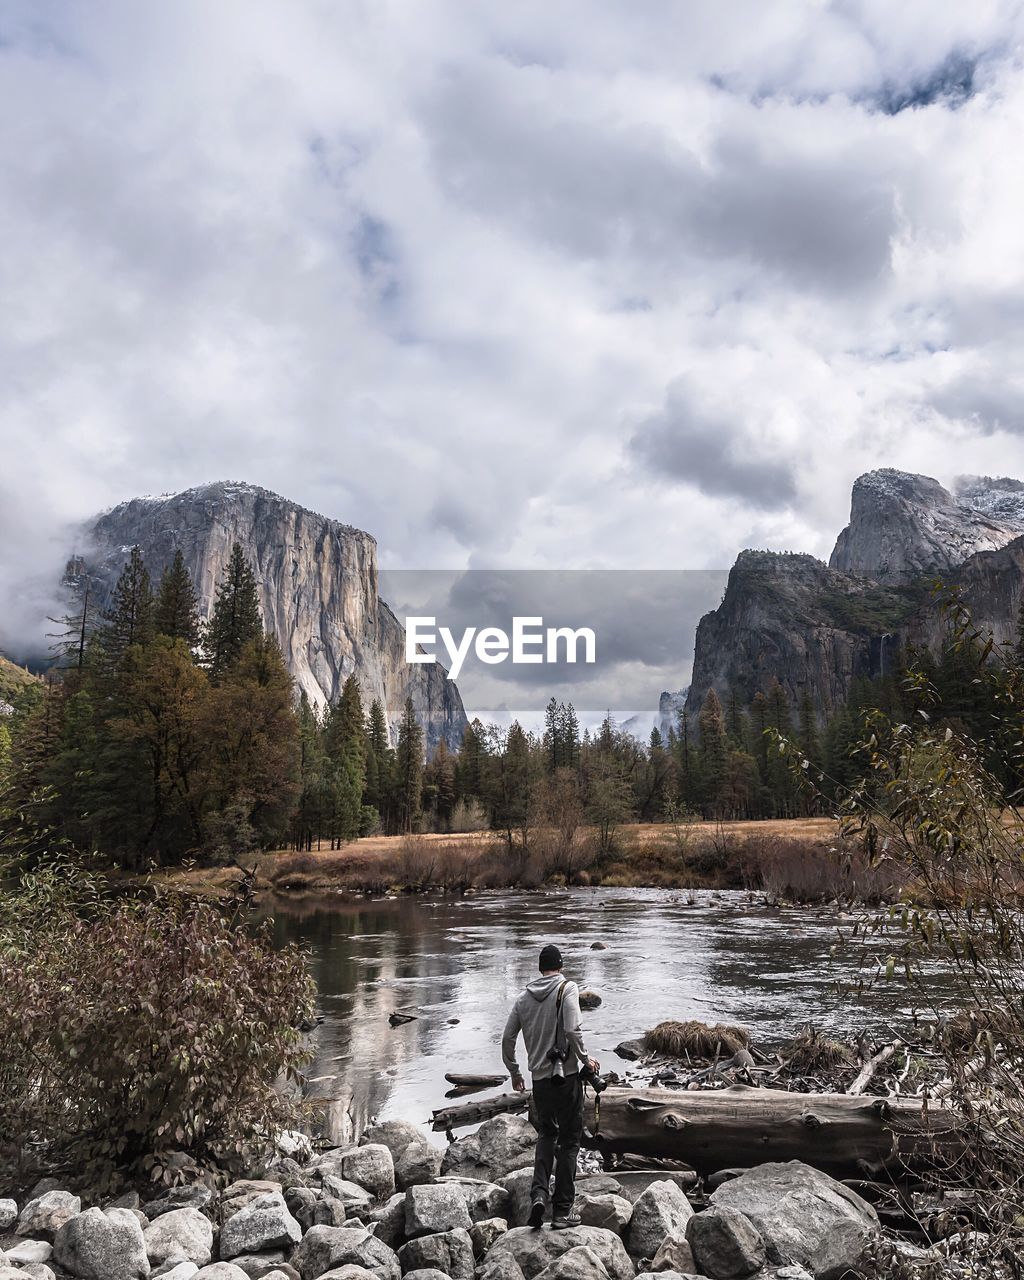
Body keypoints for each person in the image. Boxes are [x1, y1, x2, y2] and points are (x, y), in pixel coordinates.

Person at [501, 943, 600, 1229]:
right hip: (567, 1078)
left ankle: (538, 1197)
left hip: (539, 1081)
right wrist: (585, 1059)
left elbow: (507, 1039)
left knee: (546, 1135)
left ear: (540, 968)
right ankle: (562, 1211)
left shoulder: (523, 998)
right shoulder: (567, 988)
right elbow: (572, 1029)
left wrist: (514, 1072)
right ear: (560, 965)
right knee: (569, 1140)